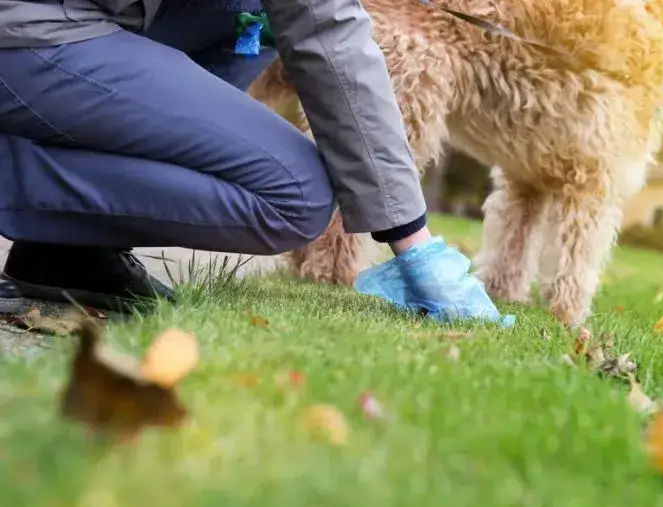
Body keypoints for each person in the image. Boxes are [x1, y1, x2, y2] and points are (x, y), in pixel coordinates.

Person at [0, 0, 502, 322]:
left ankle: (63, 248)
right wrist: (413, 242)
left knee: (246, 21)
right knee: (293, 195)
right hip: (27, 25)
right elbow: (325, 26)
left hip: (81, 19)